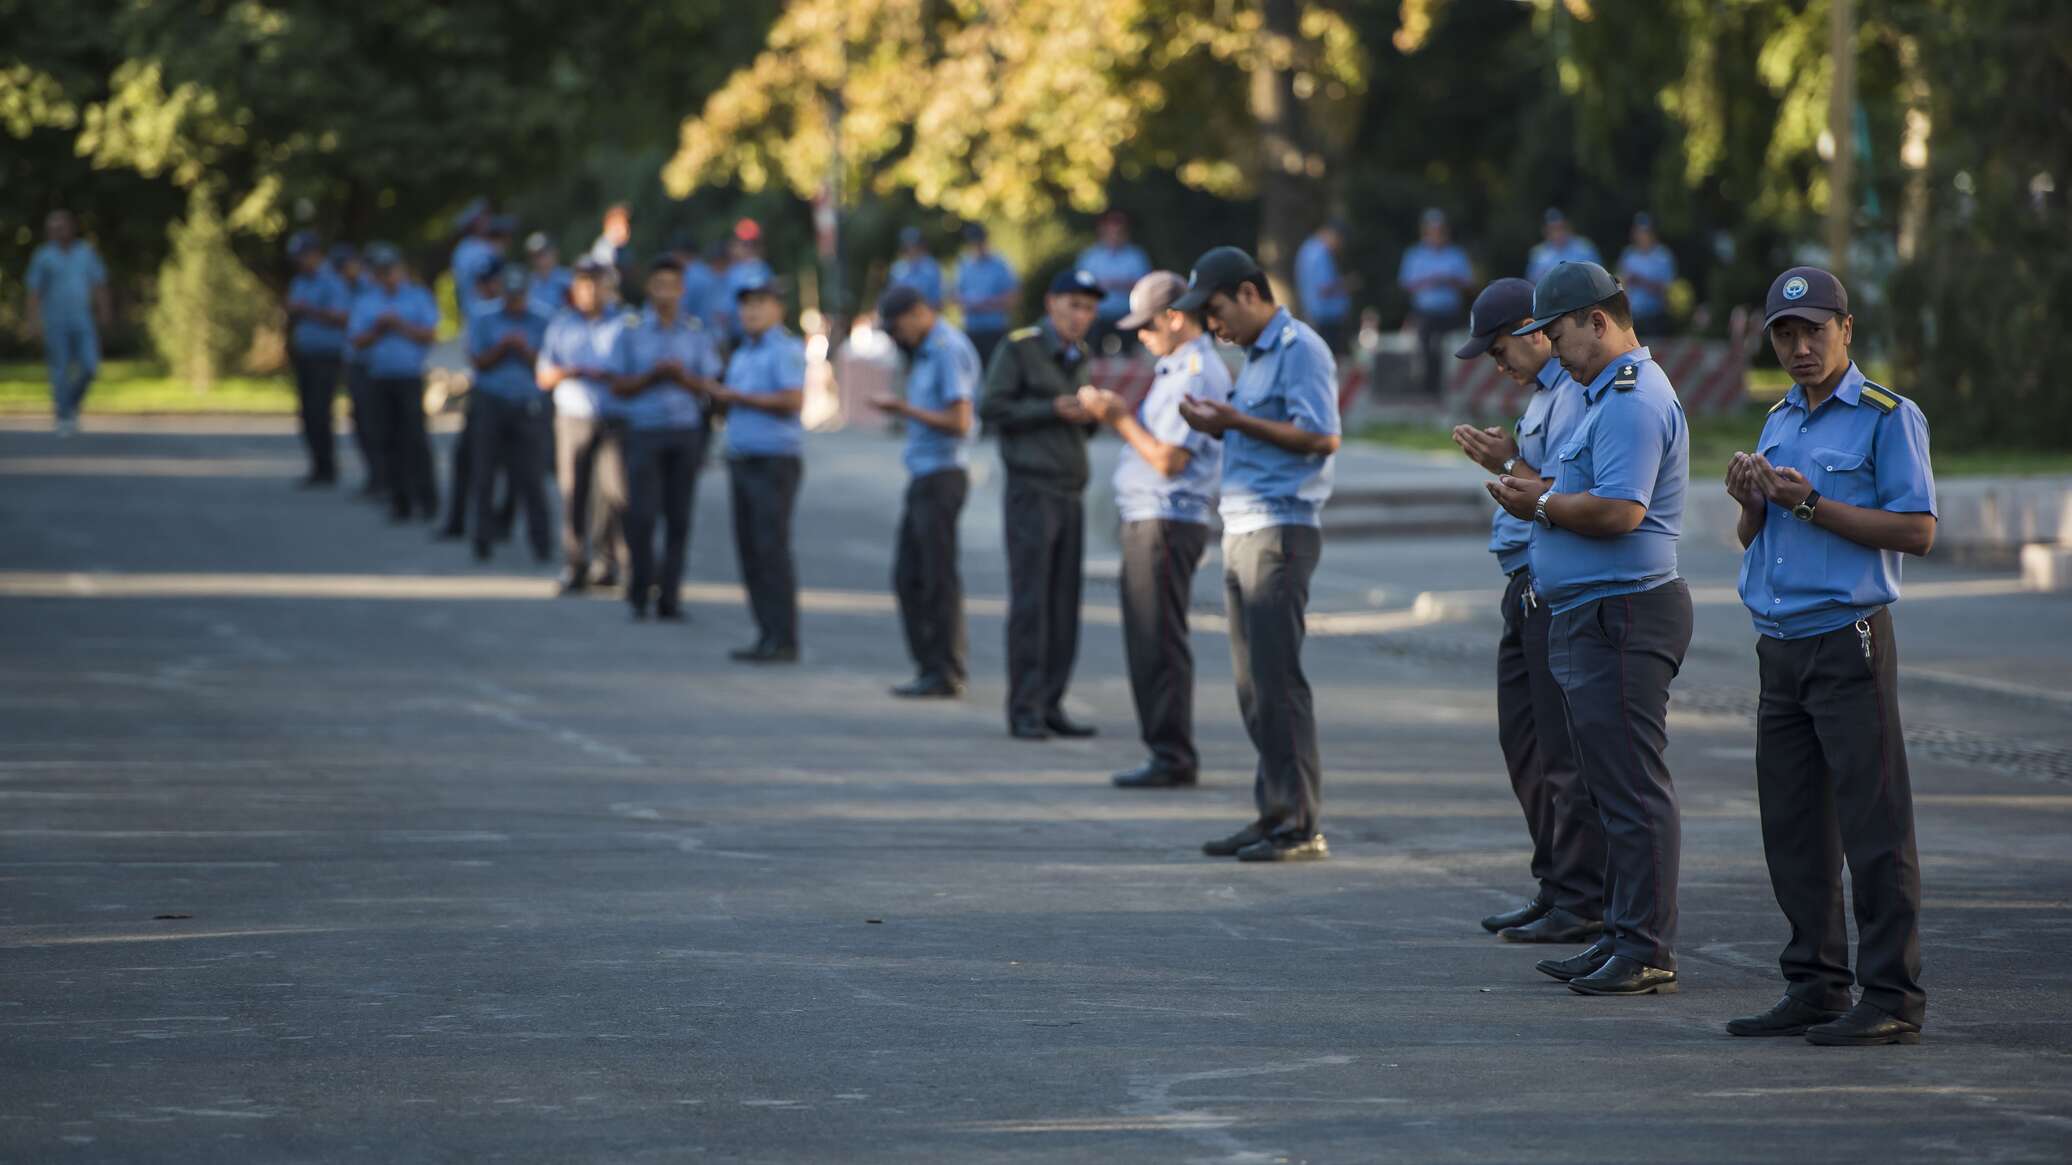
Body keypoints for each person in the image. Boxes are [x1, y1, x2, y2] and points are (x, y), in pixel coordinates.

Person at [1723, 267, 1935, 1047]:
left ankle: (1892, 995)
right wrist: (1751, 499)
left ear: (1847, 329)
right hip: (1779, 645)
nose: (1801, 346)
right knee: (1793, 828)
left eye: (1815, 330)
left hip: (1848, 640)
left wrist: (1810, 501)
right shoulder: (1780, 418)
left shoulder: (1886, 416)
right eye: (1786, 333)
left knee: (1875, 825)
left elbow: (1917, 529)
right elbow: (1759, 536)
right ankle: (1814, 981)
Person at [1490, 260, 1691, 995]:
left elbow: (1618, 511)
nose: (1553, 347)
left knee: (1633, 787)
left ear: (1598, 321)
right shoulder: (1599, 395)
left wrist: (1536, 507)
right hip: (1595, 609)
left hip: (1627, 610)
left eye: (1559, 332)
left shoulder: (1633, 400)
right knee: (1609, 785)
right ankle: (1619, 931)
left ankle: (1644, 944)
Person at [1448, 278, 1606, 943]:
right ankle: (1554, 883)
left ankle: (1582, 897)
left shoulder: (1576, 394)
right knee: (1527, 746)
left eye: (1497, 348)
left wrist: (1506, 459)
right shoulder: (1547, 395)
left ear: (1533, 329)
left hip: (1556, 587)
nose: (1497, 364)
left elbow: (1571, 494)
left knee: (1564, 755)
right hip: (1524, 582)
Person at [1173, 247, 1340, 863]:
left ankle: (1299, 823)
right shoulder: (1256, 356)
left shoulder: (1301, 349)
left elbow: (1323, 436)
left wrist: (1236, 422)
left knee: (1278, 679)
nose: (1214, 328)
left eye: (1216, 311)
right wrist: (1223, 422)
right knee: (1252, 684)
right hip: (1244, 526)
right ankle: (1272, 811)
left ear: (1249, 293)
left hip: (1282, 528)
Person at [1077, 271, 1230, 788]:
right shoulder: (1176, 367)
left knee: (1158, 640)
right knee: (1148, 638)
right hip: (1154, 518)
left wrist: (1118, 418)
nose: (1140, 336)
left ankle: (1172, 753)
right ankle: (1165, 749)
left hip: (1167, 518)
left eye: (1147, 325)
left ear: (1174, 316)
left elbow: (1168, 458)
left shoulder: (1195, 372)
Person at [977, 268, 1102, 740]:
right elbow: (992, 408)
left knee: (1064, 602)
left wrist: (1090, 413)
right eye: (1072, 304)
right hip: (1032, 489)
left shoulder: (1080, 355)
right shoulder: (1021, 347)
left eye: (1088, 308)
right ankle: (1025, 707)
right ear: (1051, 304)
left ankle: (1051, 702)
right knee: (1032, 602)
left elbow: (1083, 427)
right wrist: (1050, 409)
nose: (1080, 316)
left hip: (1070, 488)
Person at [868, 284, 980, 697]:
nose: (897, 337)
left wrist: (903, 410)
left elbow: (960, 420)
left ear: (918, 313)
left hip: (943, 473)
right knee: (910, 575)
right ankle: (931, 665)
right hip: (924, 473)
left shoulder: (947, 349)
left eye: (898, 327)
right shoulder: (925, 350)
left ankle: (945, 669)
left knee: (936, 575)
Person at [609, 258, 723, 621]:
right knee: (641, 515)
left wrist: (681, 377)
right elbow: (617, 384)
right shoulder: (631, 329)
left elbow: (710, 385)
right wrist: (652, 376)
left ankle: (669, 596)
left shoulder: (694, 331)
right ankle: (640, 588)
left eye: (672, 285)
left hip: (684, 431)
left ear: (681, 290)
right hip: (644, 430)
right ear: (649, 288)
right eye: (658, 284)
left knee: (679, 517)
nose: (665, 293)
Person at [712, 276, 809, 663]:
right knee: (750, 550)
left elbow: (791, 400)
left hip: (773, 461)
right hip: (742, 457)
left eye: (760, 304)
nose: (751, 312)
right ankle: (765, 632)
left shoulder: (782, 349)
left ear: (778, 309)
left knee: (771, 549)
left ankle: (783, 636)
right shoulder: (743, 351)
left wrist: (736, 397)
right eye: (746, 305)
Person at [538, 260, 631, 594]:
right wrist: (570, 371)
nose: (590, 291)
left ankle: (609, 563)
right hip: (573, 416)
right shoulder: (561, 325)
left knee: (615, 492)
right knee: (573, 491)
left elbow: (633, 372)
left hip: (613, 416)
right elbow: (544, 375)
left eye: (596, 284)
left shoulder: (623, 324)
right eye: (583, 284)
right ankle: (574, 564)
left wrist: (606, 375)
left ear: (608, 287)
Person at [463, 264, 553, 563]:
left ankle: (542, 544)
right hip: (490, 400)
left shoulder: (542, 318)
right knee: (484, 473)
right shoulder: (483, 315)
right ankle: (482, 540)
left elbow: (546, 366)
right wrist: (503, 347)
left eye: (519, 296)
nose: (514, 302)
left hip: (528, 404)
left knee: (531, 477)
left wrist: (524, 349)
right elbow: (477, 360)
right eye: (509, 295)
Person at [347, 243, 441, 523]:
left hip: (408, 376)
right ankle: (400, 501)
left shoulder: (417, 297)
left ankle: (427, 500)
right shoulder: (367, 300)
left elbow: (429, 335)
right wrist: (378, 328)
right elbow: (357, 340)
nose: (387, 276)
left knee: (415, 439)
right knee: (387, 440)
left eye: (391, 271)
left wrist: (399, 325)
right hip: (379, 377)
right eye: (381, 272)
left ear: (400, 271)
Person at [24, 209, 110, 436]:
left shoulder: (85, 253)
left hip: (82, 320)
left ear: (71, 227)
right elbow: (34, 292)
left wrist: (104, 311)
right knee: (60, 370)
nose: (55, 232)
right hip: (55, 322)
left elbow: (99, 283)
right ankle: (64, 415)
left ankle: (70, 403)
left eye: (60, 227)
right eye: (52, 228)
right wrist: (33, 322)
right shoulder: (43, 257)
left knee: (90, 365)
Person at [283, 231, 352, 487]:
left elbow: (342, 317)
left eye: (302, 256)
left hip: (327, 355)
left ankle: (328, 468)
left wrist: (307, 310)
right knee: (306, 413)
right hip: (305, 355)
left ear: (315, 254)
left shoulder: (332, 281)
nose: (299, 262)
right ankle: (316, 466)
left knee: (320, 411)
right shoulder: (300, 281)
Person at [1397, 208, 1475, 398]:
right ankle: (1429, 390)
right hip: (1425, 312)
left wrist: (1450, 280)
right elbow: (1405, 283)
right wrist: (1429, 281)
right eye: (1432, 230)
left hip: (1449, 312)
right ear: (1425, 231)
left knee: (1451, 351)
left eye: (1439, 230)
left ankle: (1453, 389)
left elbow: (1469, 284)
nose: (1436, 234)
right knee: (1426, 351)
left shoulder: (1456, 254)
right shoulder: (1414, 254)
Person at [331, 244, 384, 498]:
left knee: (378, 423)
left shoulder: (372, 290)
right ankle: (374, 476)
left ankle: (384, 478)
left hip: (374, 364)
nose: (344, 273)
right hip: (355, 362)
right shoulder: (345, 288)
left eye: (347, 266)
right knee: (361, 422)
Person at [1076, 211, 1152, 353]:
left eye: (1119, 231)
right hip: (1096, 318)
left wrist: (1118, 284)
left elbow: (1146, 286)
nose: (1114, 235)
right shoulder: (1090, 256)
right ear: (1102, 231)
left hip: (1128, 316)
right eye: (1110, 230)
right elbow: (1079, 285)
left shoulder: (1136, 256)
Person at [955, 225, 1020, 365]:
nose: (976, 246)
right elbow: (956, 297)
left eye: (979, 242)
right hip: (971, 331)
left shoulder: (1001, 264)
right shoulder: (965, 265)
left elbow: (1012, 298)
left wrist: (986, 303)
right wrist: (968, 303)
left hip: (995, 331)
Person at [1294, 219, 1351, 354]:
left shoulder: (1308, 248)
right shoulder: (1319, 253)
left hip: (1316, 316)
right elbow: (1324, 288)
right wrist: (1346, 284)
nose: (1339, 246)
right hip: (1325, 319)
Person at [1616, 214, 1676, 336]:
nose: (1642, 236)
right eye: (1639, 232)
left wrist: (1640, 281)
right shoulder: (1628, 255)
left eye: (1645, 232)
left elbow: (1667, 290)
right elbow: (1620, 284)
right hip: (1632, 318)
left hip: (1655, 317)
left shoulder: (1662, 256)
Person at [719, 223, 774, 345]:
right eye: (744, 244)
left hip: (762, 334)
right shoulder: (733, 271)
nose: (746, 248)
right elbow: (724, 312)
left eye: (750, 245)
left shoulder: (762, 269)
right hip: (738, 335)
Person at [1525, 208, 1601, 284]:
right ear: (1545, 231)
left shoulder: (1584, 247)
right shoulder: (1538, 254)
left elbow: (1598, 274)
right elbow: (1533, 282)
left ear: (1568, 226)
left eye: (1560, 227)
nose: (1557, 233)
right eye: (1552, 229)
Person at [887, 227, 943, 310]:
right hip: (902, 315)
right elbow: (892, 295)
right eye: (907, 246)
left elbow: (938, 300)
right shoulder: (897, 267)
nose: (911, 250)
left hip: (926, 314)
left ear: (921, 246)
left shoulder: (931, 267)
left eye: (914, 246)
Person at [525, 233, 572, 319]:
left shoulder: (568, 279)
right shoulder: (526, 281)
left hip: (562, 326)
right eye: (536, 255)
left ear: (555, 253)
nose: (540, 258)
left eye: (544, 253)